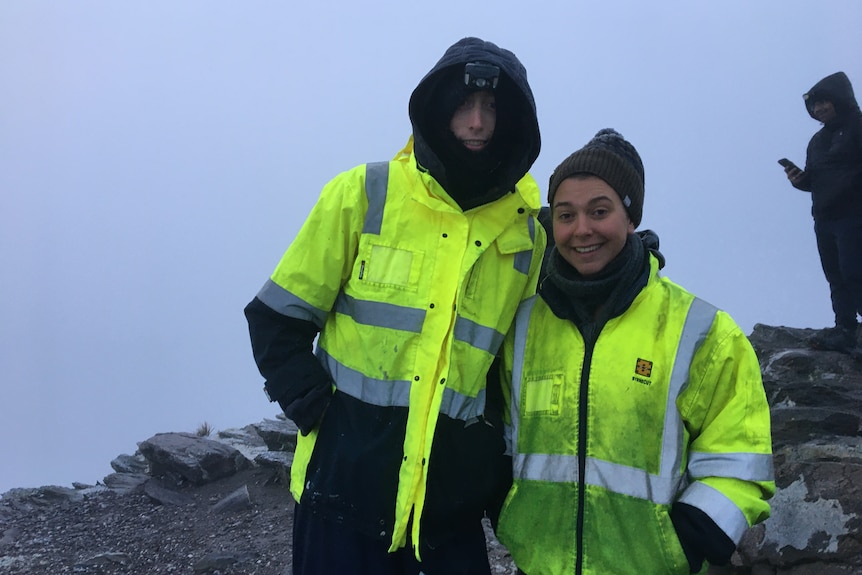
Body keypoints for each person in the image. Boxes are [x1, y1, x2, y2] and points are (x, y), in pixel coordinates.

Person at [243, 37, 545, 575]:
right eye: (463, 105)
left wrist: (483, 457)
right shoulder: (361, 193)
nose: (477, 123)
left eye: (492, 108)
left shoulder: (527, 235)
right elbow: (276, 319)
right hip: (339, 501)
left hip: (449, 518)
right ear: (437, 107)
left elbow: (521, 365)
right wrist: (322, 419)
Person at [494, 129, 775, 574]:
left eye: (599, 211)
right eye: (566, 215)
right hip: (539, 566)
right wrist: (504, 506)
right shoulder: (525, 324)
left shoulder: (702, 331)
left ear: (630, 216)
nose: (581, 229)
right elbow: (503, 437)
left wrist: (689, 538)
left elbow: (740, 456)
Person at [782, 71, 862, 354]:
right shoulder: (817, 141)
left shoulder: (857, 126)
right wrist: (800, 181)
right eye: (813, 106)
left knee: (855, 272)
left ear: (838, 99)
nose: (817, 110)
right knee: (837, 276)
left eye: (823, 103)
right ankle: (846, 329)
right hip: (824, 219)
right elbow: (815, 180)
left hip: (854, 215)